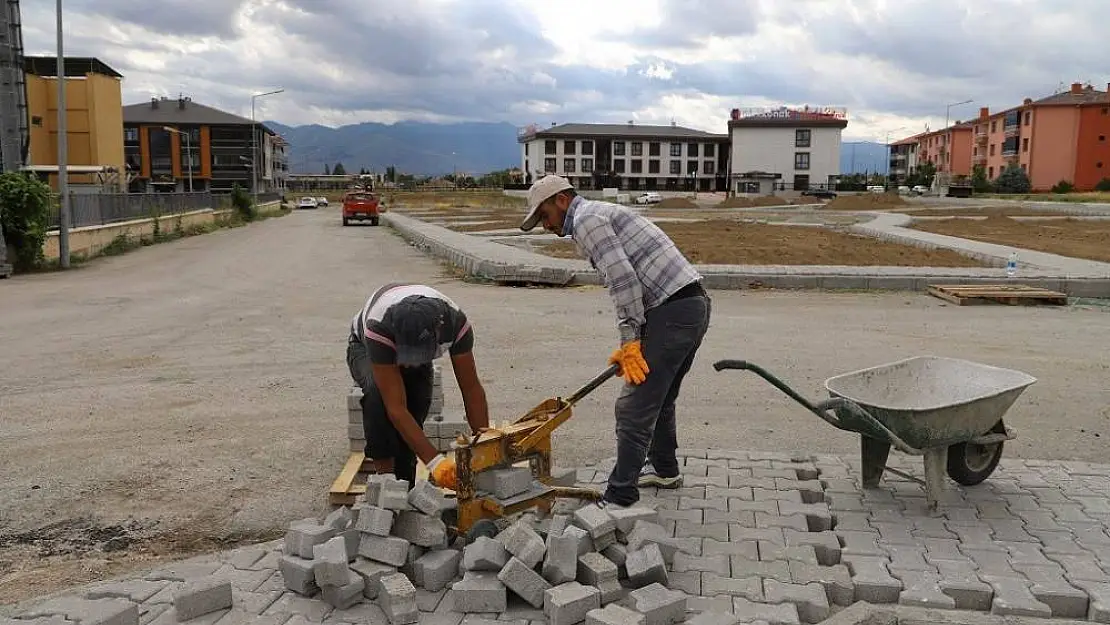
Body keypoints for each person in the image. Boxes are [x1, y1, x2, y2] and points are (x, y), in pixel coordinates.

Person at [520, 174, 712, 507]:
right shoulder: (597, 213)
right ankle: (665, 469)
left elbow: (622, 281)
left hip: (674, 311)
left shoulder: (586, 220)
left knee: (633, 407)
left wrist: (630, 340)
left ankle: (620, 493)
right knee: (660, 397)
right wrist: (634, 339)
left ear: (562, 200)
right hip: (690, 306)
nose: (544, 226)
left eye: (544, 216)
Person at [347, 283, 490, 490]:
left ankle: (407, 484)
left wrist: (485, 445)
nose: (407, 364)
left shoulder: (456, 324)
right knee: (378, 397)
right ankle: (384, 485)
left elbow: (471, 390)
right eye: (407, 356)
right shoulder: (379, 327)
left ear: (437, 333)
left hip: (404, 340)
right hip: (364, 348)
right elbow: (396, 409)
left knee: (418, 402)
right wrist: (436, 463)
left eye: (417, 356)